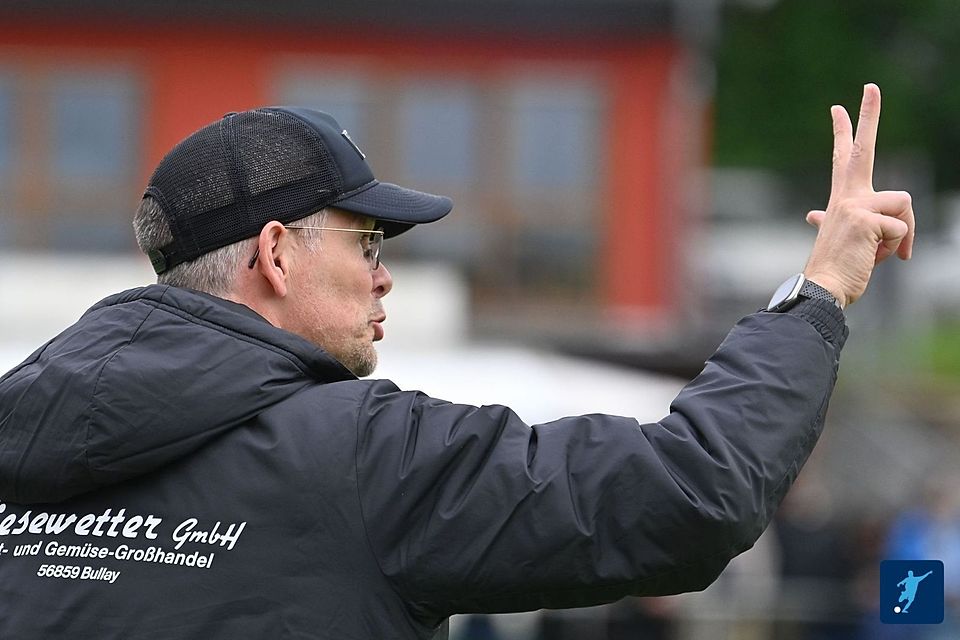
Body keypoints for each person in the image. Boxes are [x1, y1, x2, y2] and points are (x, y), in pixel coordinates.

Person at [0, 84, 913, 639]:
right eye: (366, 243)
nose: (385, 278)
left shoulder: (16, 428)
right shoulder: (366, 456)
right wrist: (820, 291)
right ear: (275, 255)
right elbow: (688, 492)